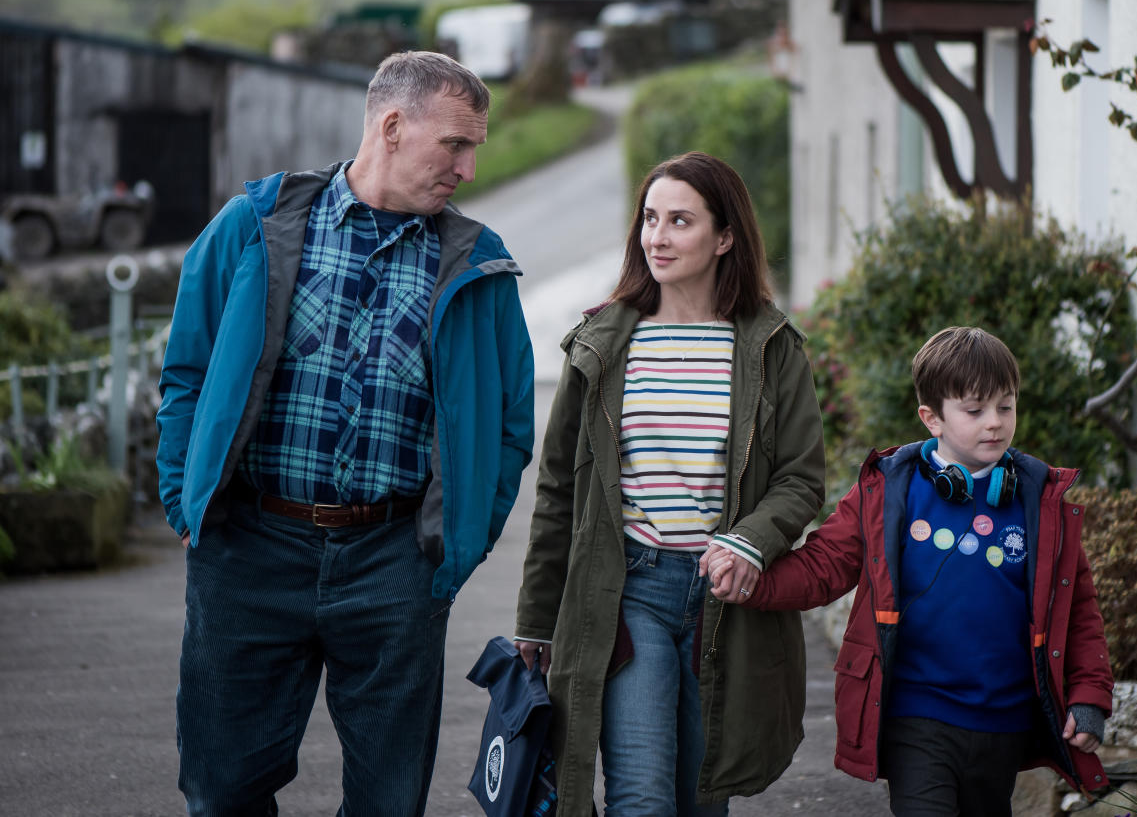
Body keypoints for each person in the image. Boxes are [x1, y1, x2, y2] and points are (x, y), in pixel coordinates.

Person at [155, 51, 535, 816]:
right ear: (392, 126)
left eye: (473, 150)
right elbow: (185, 372)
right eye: (454, 145)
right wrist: (184, 500)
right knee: (221, 788)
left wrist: (459, 543)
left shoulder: (478, 263)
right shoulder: (252, 226)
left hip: (395, 562)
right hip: (249, 552)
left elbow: (510, 425)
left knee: (389, 800)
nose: (465, 168)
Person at [513, 151, 827, 816]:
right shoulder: (602, 344)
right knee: (643, 796)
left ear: (724, 237)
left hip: (728, 600)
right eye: (650, 218)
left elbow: (801, 478)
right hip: (630, 592)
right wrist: (537, 620)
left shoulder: (772, 347)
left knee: (699, 799)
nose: (656, 236)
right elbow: (558, 492)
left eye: (679, 220)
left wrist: (750, 541)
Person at [709, 326, 1114, 816]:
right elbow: (825, 564)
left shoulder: (1037, 498)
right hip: (916, 716)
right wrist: (757, 583)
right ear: (931, 418)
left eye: (1005, 407)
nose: (995, 423)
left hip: (1003, 723)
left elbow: (1080, 609)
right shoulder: (891, 492)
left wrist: (1090, 695)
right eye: (975, 410)